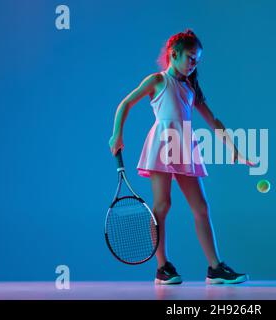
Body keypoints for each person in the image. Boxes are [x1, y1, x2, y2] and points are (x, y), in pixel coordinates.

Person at [109, 29, 255, 285]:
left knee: (201, 208)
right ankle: (162, 267)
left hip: (184, 146)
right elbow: (125, 104)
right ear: (173, 54)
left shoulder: (191, 86)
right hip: (162, 144)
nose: (193, 64)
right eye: (190, 57)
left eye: (197, 60)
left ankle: (215, 268)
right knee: (162, 206)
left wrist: (234, 148)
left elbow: (213, 120)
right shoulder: (156, 80)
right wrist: (116, 135)